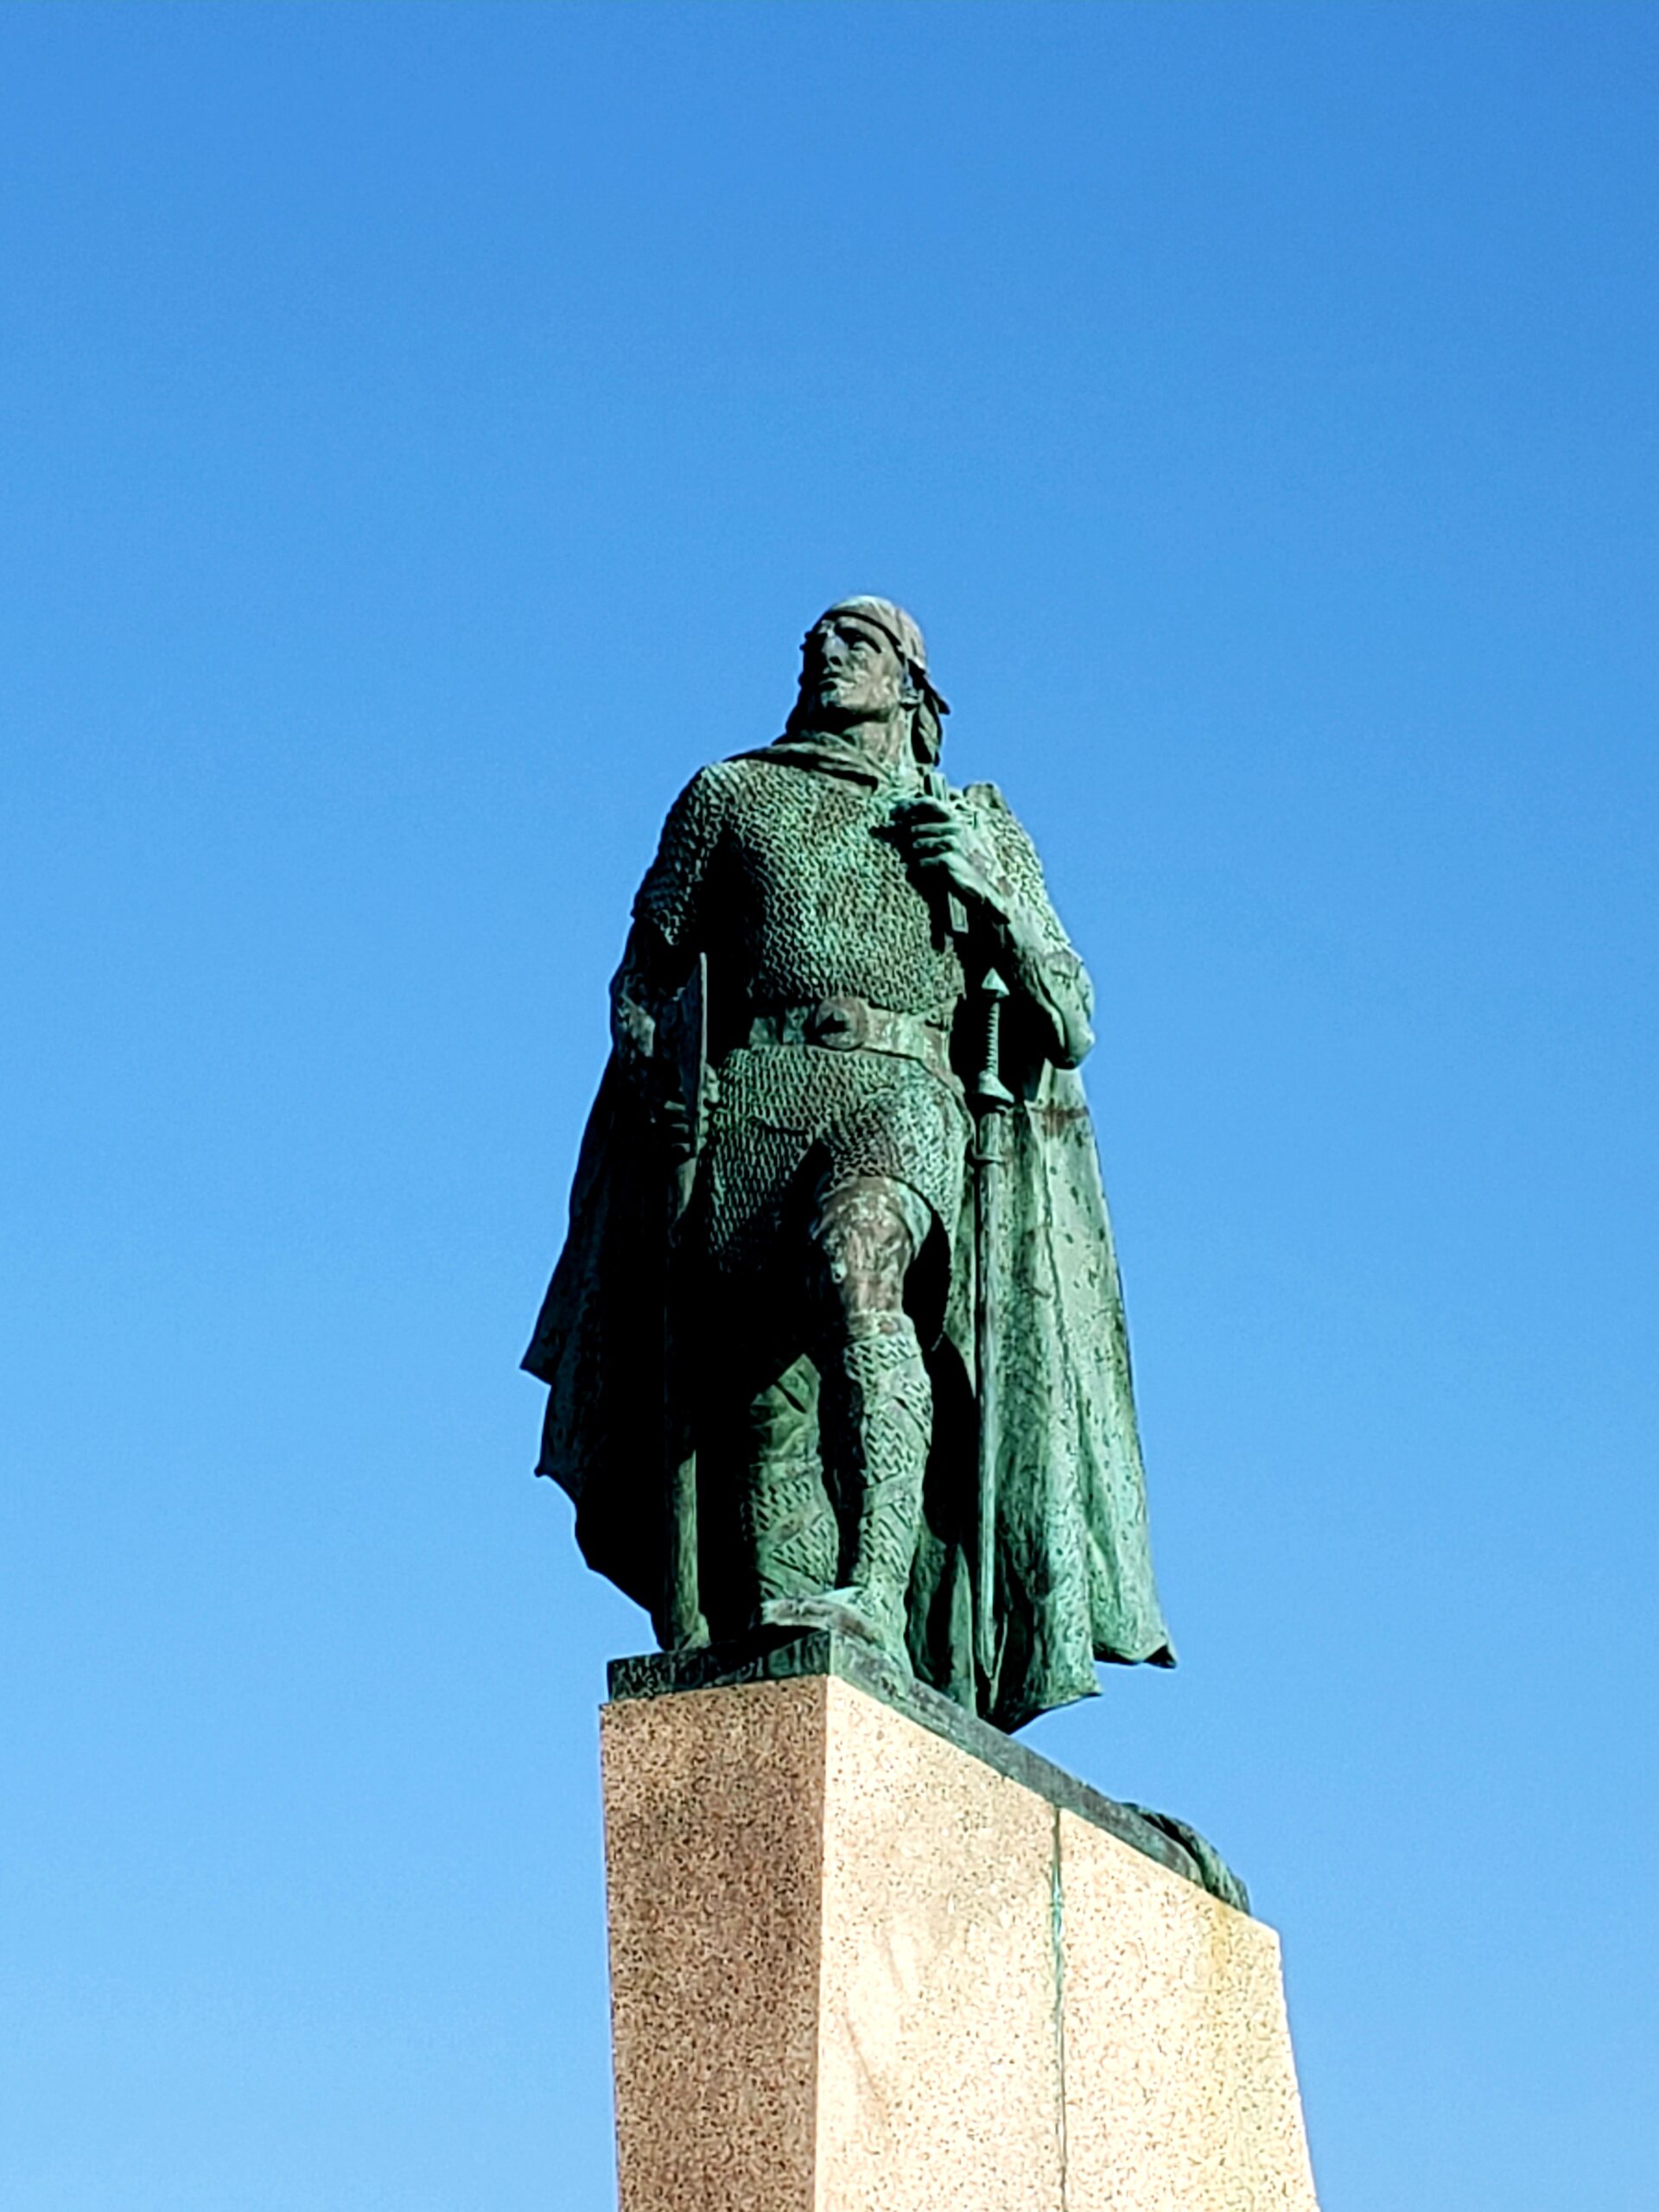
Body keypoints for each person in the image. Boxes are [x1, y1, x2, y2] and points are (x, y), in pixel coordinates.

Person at [524, 598, 1173, 1732]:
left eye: (857, 641)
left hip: (903, 1091)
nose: (826, 652)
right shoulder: (730, 794)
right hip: (757, 1101)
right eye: (816, 641)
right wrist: (658, 1075)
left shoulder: (970, 823)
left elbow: (1069, 1019)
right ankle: (800, 1628)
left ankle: (876, 1587)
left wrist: (998, 897)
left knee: (857, 1262)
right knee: (770, 1405)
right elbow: (642, 979)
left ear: (916, 690)